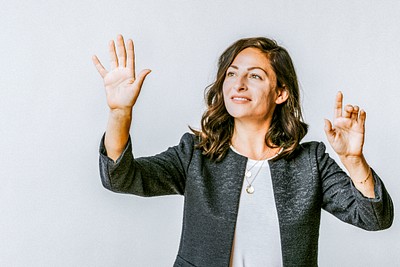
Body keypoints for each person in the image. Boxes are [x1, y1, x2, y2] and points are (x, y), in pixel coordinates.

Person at [92, 34, 393, 267]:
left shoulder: (310, 162)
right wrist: (120, 113)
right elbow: (120, 177)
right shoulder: (196, 155)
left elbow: (375, 218)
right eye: (232, 74)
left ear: (280, 93)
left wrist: (354, 161)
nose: (239, 84)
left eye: (255, 76)